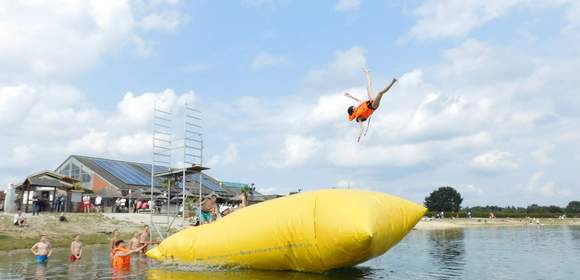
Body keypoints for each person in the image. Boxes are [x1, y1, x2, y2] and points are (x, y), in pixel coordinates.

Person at [345, 67, 397, 141]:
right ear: (353, 111)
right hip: (373, 106)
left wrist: (349, 96)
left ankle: (367, 72)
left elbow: (358, 99)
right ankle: (393, 82)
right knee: (380, 93)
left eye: (354, 106)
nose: (355, 107)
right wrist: (359, 136)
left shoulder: (359, 108)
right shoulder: (359, 117)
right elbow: (362, 127)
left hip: (371, 101)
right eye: (354, 108)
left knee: (368, 86)